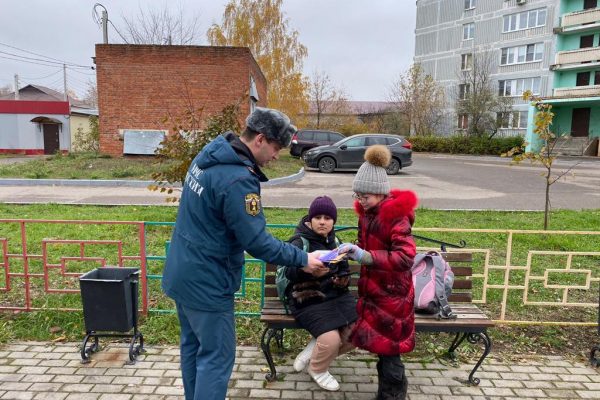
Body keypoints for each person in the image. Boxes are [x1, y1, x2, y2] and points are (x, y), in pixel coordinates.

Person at [161, 107, 327, 400]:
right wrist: (304, 259)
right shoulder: (238, 179)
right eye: (276, 148)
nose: (277, 156)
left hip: (182, 272)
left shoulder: (210, 156)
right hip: (208, 282)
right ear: (260, 139)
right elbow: (258, 242)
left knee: (192, 347)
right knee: (216, 357)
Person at [339, 145, 418, 400]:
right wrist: (353, 251)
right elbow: (365, 245)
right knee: (384, 351)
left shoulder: (395, 217)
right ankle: (389, 394)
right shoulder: (368, 214)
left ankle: (393, 395)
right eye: (357, 194)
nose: (360, 199)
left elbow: (405, 257)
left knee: (390, 352)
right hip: (375, 292)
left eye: (365, 195)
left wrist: (367, 257)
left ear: (380, 192)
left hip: (393, 296)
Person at [281, 196, 358, 391]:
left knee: (360, 331)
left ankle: (315, 351)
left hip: (336, 295)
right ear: (310, 220)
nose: (322, 222)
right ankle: (318, 369)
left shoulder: (336, 241)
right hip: (308, 297)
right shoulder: (299, 241)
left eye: (327, 218)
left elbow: (343, 270)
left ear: (333, 221)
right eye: (318, 217)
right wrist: (306, 269)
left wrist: (342, 279)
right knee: (331, 339)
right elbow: (288, 271)